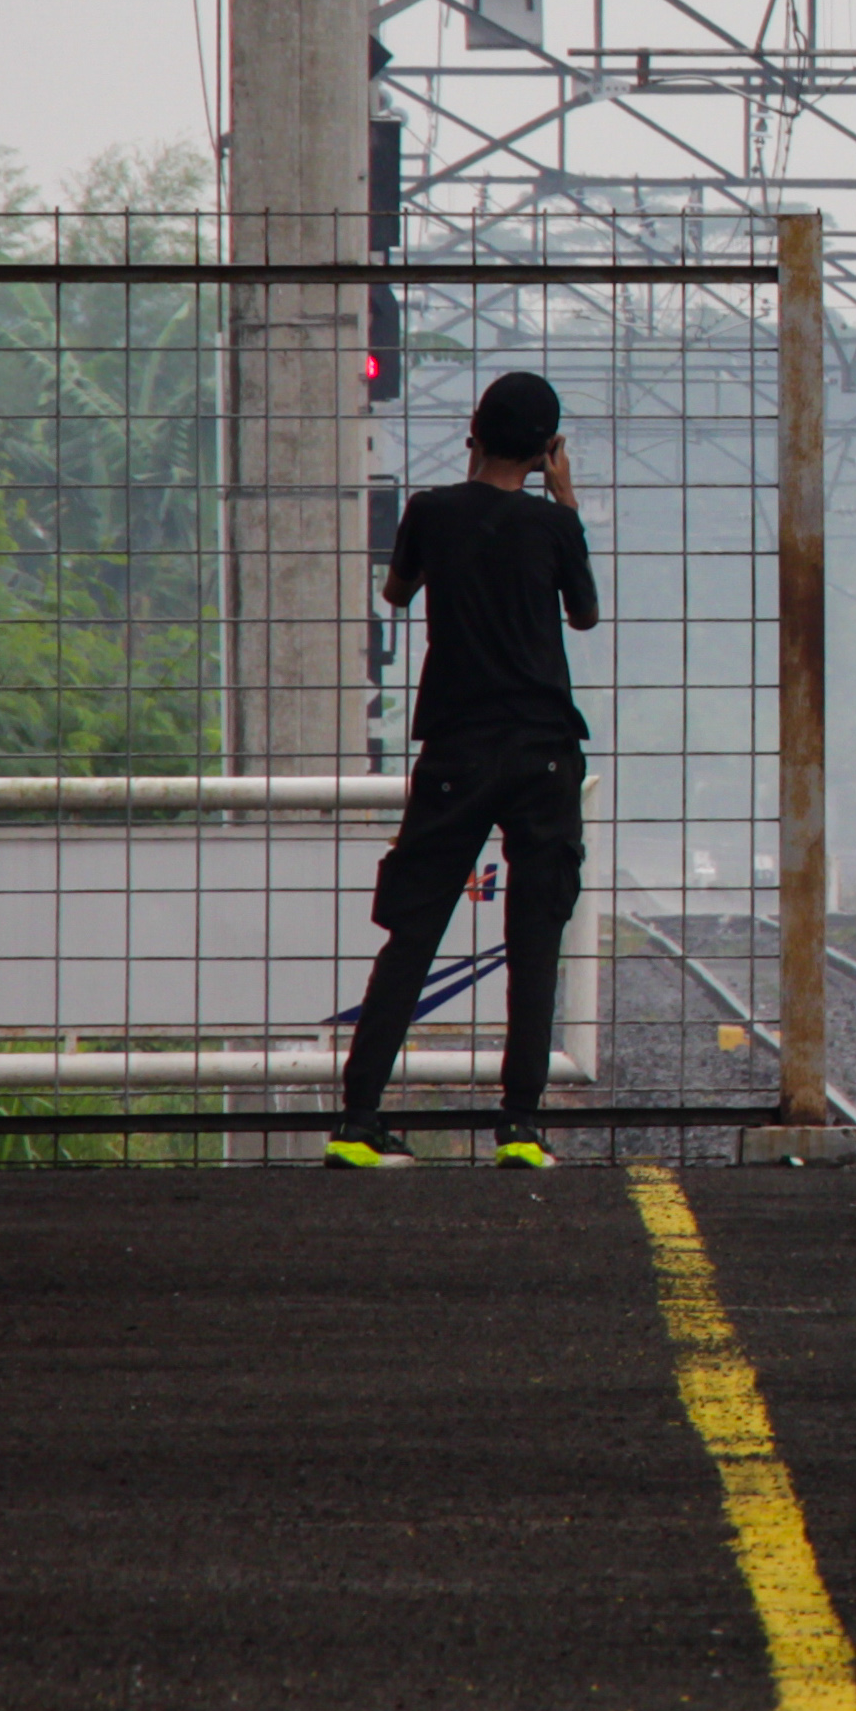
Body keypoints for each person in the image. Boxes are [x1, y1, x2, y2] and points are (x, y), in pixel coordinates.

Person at [325, 371, 600, 1168]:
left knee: (413, 929)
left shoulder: (431, 511)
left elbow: (396, 591)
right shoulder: (553, 524)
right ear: (547, 450)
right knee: (535, 934)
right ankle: (519, 1125)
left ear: (472, 430)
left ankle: (358, 1119)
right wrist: (565, 503)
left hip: (455, 750)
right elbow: (583, 614)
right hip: (543, 751)